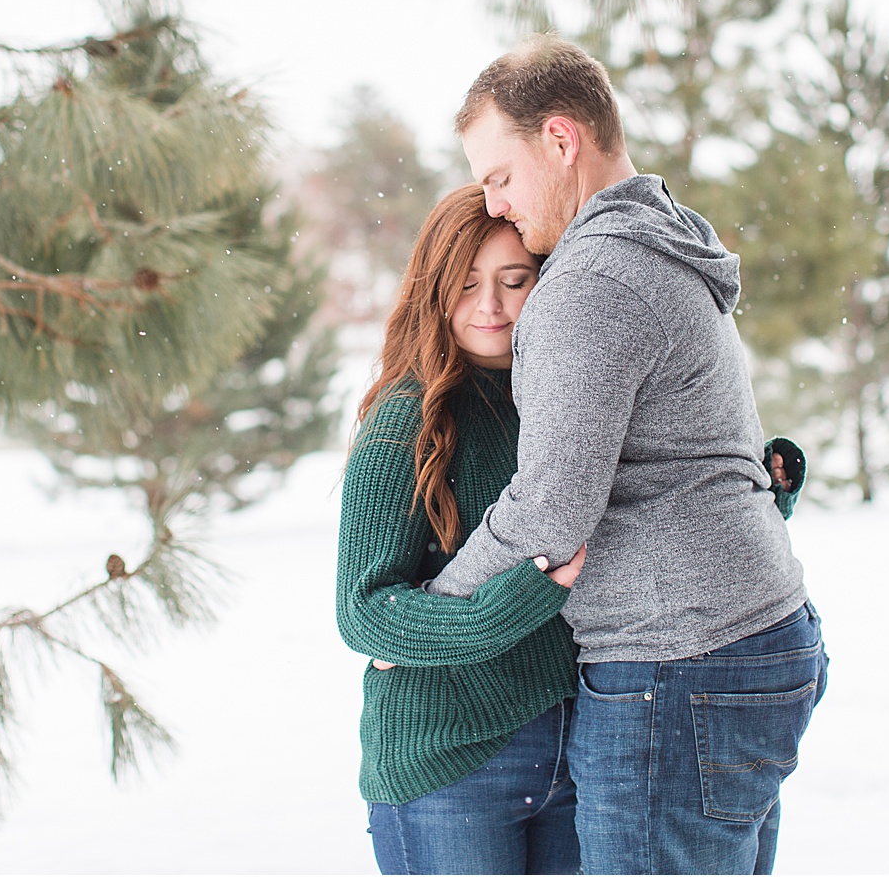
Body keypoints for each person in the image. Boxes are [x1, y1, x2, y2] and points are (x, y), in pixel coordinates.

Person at [426, 34, 828, 875]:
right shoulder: (663, 240)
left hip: (678, 664)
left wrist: (436, 609)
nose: (495, 206)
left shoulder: (589, 284)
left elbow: (550, 512)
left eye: (499, 177)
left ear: (561, 141)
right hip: (756, 635)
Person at [337, 183, 806, 875]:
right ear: (434, 293)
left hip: (572, 747)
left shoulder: (570, 390)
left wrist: (755, 489)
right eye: (466, 285)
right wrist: (507, 605)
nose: (491, 306)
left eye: (514, 279)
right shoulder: (408, 421)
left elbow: (634, 513)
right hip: (448, 761)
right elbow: (363, 612)